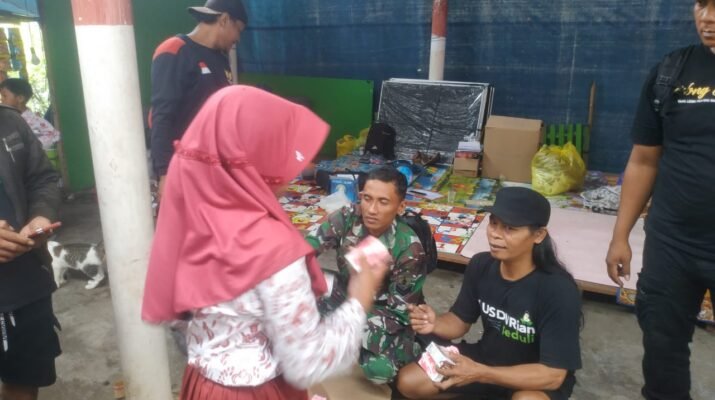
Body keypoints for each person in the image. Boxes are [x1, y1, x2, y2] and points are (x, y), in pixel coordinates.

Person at [142, 86, 389, 400]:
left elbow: (181, 315)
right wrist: (361, 295)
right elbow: (308, 362)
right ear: (256, 157)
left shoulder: (189, 219)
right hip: (256, 392)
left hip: (203, 385)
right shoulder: (272, 247)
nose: (294, 168)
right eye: (280, 150)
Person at [606, 2, 715, 399]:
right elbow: (644, 159)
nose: (707, 16)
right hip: (672, 243)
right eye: (701, 4)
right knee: (662, 346)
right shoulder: (672, 72)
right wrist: (621, 236)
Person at [397, 187, 582, 400]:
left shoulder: (559, 290)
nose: (495, 234)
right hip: (487, 360)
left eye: (510, 228)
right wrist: (434, 323)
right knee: (408, 381)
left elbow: (553, 376)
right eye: (493, 223)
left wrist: (480, 373)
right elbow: (459, 322)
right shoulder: (481, 265)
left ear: (538, 235)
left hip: (533, 378)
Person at [306, 166, 427, 385]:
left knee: (379, 370)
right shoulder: (347, 217)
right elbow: (306, 250)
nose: (371, 209)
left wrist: (346, 326)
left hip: (382, 313)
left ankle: (407, 349)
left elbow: (399, 314)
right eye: (367, 198)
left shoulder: (409, 249)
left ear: (400, 207)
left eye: (383, 202)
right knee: (300, 285)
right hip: (346, 293)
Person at [150, 0, 247, 198]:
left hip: (212, 167)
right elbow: (162, 116)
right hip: (183, 167)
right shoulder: (175, 51)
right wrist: (165, 173)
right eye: (238, 30)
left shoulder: (221, 59)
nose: (237, 38)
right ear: (224, 20)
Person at [0, 104, 62, 400]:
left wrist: (40, 215)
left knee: (24, 380)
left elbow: (42, 179)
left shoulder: (10, 122)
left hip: (23, 282)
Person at [0, 78, 60, 150]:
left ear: (20, 98)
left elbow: (54, 136)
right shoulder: (8, 119)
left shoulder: (36, 121)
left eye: (4, 96)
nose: (1, 99)